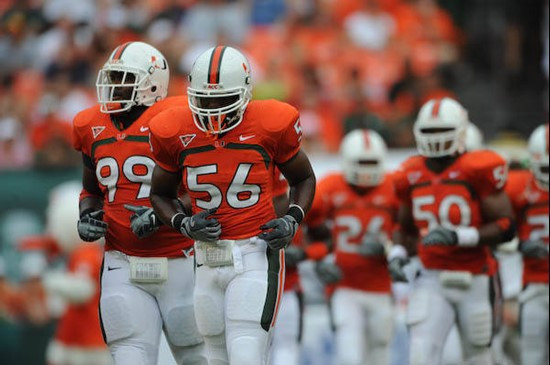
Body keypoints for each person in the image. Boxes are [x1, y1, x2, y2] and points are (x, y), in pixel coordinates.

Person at [148, 45, 316, 365]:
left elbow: (304, 178)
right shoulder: (174, 128)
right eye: (204, 98)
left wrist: (292, 219)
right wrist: (182, 223)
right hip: (205, 258)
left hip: (254, 251)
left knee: (246, 352)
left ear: (245, 93)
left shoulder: (269, 123)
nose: (212, 109)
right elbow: (161, 194)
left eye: (222, 99)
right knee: (215, 357)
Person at [72, 41, 206, 365]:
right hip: (122, 261)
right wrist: (88, 216)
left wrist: (163, 215)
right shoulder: (91, 127)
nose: (114, 87)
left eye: (123, 79)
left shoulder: (178, 120)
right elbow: (91, 191)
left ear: (152, 84)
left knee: (197, 355)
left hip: (181, 258)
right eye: (112, 78)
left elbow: (204, 191)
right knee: (129, 352)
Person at [391, 97, 516, 365]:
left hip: (475, 276)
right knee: (421, 354)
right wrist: (398, 253)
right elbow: (405, 228)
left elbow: (507, 227)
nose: (436, 138)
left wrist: (460, 236)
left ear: (461, 131)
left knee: (478, 356)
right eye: (430, 131)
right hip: (431, 277)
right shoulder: (409, 173)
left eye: (442, 131)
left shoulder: (477, 168)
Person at [305, 129, 398, 365]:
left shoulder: (394, 187)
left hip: (380, 286)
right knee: (349, 354)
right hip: (344, 286)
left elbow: (409, 233)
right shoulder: (331, 186)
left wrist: (388, 247)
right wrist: (319, 259)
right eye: (361, 162)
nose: (366, 170)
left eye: (371, 163)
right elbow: (305, 226)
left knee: (379, 351)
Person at [38, 182, 111, 365]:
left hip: (89, 339)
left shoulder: (87, 252)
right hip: (73, 334)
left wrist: (50, 281)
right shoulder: (76, 254)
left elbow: (82, 289)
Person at [506, 124, 549, 365]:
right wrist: (520, 245)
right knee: (531, 355)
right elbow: (500, 232)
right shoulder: (518, 186)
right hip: (533, 286)